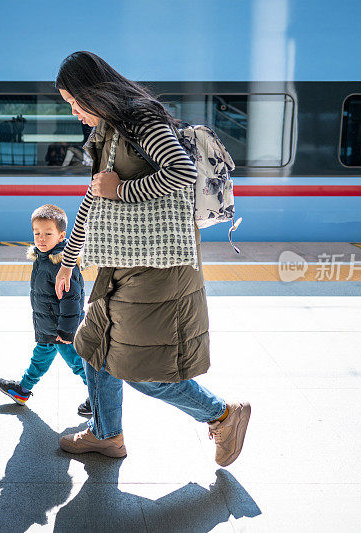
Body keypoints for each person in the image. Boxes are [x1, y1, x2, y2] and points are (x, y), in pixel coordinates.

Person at [53, 51, 251, 466]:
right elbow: (95, 197)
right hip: (124, 262)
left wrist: (121, 191)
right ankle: (107, 435)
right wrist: (69, 260)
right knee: (94, 346)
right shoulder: (108, 130)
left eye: (74, 102)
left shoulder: (143, 121)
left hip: (161, 268)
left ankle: (224, 415)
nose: (73, 112)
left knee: (142, 370)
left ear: (93, 92)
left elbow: (180, 172)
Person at [0, 204, 92, 418]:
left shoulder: (63, 264)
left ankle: (98, 397)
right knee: (40, 358)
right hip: (49, 325)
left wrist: (67, 331)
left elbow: (72, 300)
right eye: (37, 233)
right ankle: (23, 389)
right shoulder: (42, 258)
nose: (41, 238)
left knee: (77, 363)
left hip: (63, 330)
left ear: (61, 236)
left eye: (48, 233)